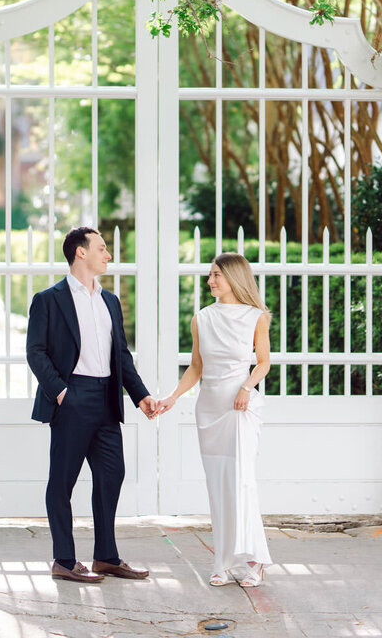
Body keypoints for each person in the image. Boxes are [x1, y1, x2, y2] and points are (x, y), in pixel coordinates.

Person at [27, 226, 159, 584]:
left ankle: (105, 557)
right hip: (72, 397)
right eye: (102, 248)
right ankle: (64, 560)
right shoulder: (49, 300)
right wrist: (61, 392)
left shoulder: (109, 301)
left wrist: (141, 394)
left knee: (111, 475)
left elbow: (121, 356)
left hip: (106, 399)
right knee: (63, 481)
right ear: (80, 252)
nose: (108, 255)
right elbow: (35, 352)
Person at [156, 252, 273, 588]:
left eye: (216, 275)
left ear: (234, 277)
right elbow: (196, 367)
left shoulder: (256, 317)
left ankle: (255, 560)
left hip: (239, 407)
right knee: (218, 486)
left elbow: (263, 362)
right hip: (208, 409)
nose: (210, 281)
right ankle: (222, 559)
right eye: (210, 275)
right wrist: (172, 397)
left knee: (242, 481)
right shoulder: (201, 319)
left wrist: (246, 388)